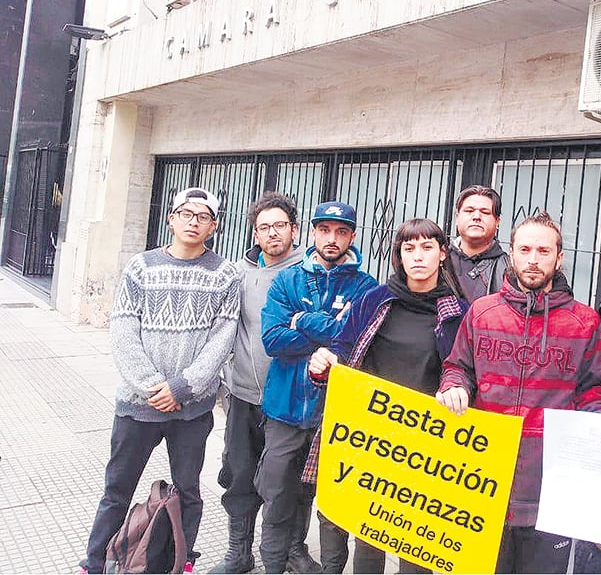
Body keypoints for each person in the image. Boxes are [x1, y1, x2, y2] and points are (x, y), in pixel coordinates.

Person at [437, 212, 601, 574]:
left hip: (550, 487)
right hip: (481, 479)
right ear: (511, 253)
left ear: (560, 257)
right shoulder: (482, 312)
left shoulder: (585, 322)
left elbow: (593, 392)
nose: (533, 259)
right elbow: (457, 366)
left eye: (544, 250)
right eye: (525, 249)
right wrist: (454, 386)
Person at [79, 187, 241, 574]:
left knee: (188, 491)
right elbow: (123, 330)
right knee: (117, 490)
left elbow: (224, 336)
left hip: (192, 408)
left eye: (202, 217)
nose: (193, 221)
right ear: (171, 218)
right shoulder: (141, 267)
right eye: (186, 213)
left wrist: (182, 388)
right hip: (138, 406)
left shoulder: (225, 274)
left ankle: (181, 560)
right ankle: (96, 560)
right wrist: (154, 386)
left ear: (213, 226)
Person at [304, 218, 469, 574]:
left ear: (443, 254)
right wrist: (322, 365)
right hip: (375, 440)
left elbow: (466, 371)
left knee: (419, 544)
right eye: (409, 249)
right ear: (399, 255)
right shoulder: (374, 300)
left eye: (427, 248)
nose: (418, 257)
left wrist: (459, 388)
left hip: (429, 446)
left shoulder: (460, 313)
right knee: (368, 538)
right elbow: (341, 354)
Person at [257, 200, 377, 574]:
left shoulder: (365, 287)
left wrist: (303, 319)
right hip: (285, 409)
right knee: (276, 495)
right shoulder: (288, 279)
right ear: (312, 232)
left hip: (335, 412)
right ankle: (274, 565)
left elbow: (356, 343)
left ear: (352, 237)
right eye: (324, 229)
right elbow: (273, 340)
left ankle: (312, 562)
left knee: (325, 500)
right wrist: (329, 331)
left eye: (341, 231)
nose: (332, 238)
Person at [210, 192, 315, 574]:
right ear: (255, 233)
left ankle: (292, 549)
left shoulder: (310, 271)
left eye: (280, 225)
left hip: (291, 401)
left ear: (294, 229)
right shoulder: (239, 273)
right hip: (243, 395)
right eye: (264, 227)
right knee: (239, 473)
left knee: (292, 480)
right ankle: (239, 552)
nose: (272, 233)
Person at [448, 184, 510, 300]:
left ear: (497, 221)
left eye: (485, 212)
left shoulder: (510, 268)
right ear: (457, 217)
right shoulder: (438, 261)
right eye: (469, 211)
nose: (476, 217)